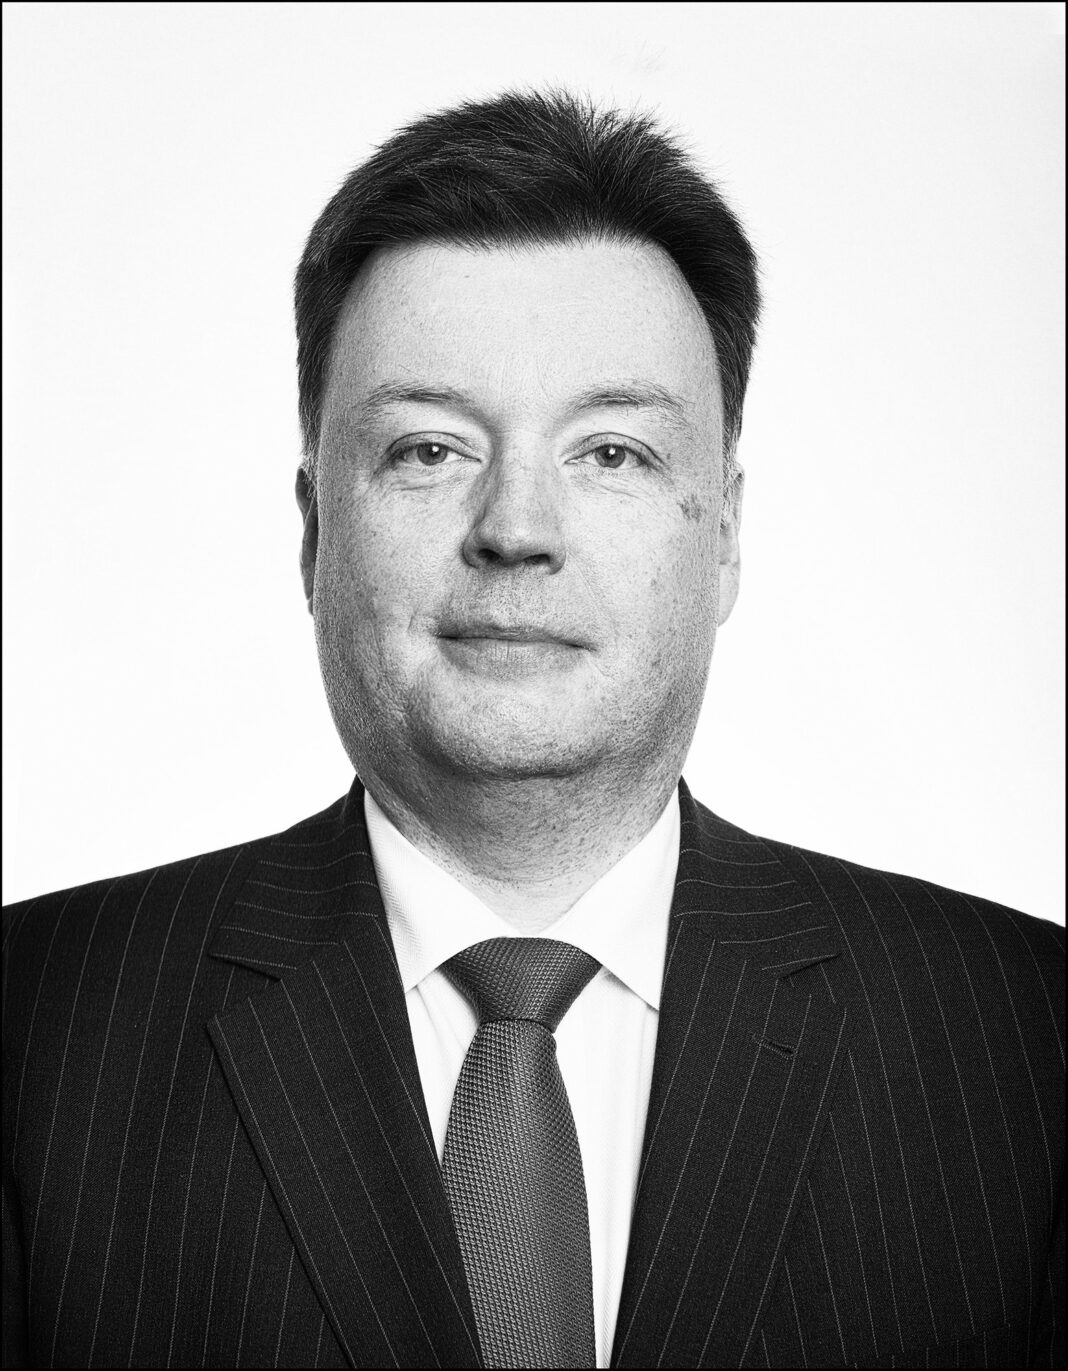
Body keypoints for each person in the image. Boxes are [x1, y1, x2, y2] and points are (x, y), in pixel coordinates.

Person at [2, 88, 1062, 1371]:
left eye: (611, 453)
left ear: (725, 534)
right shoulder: (33, 1032)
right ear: (313, 531)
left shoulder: (1025, 1039)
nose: (516, 528)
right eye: (429, 449)